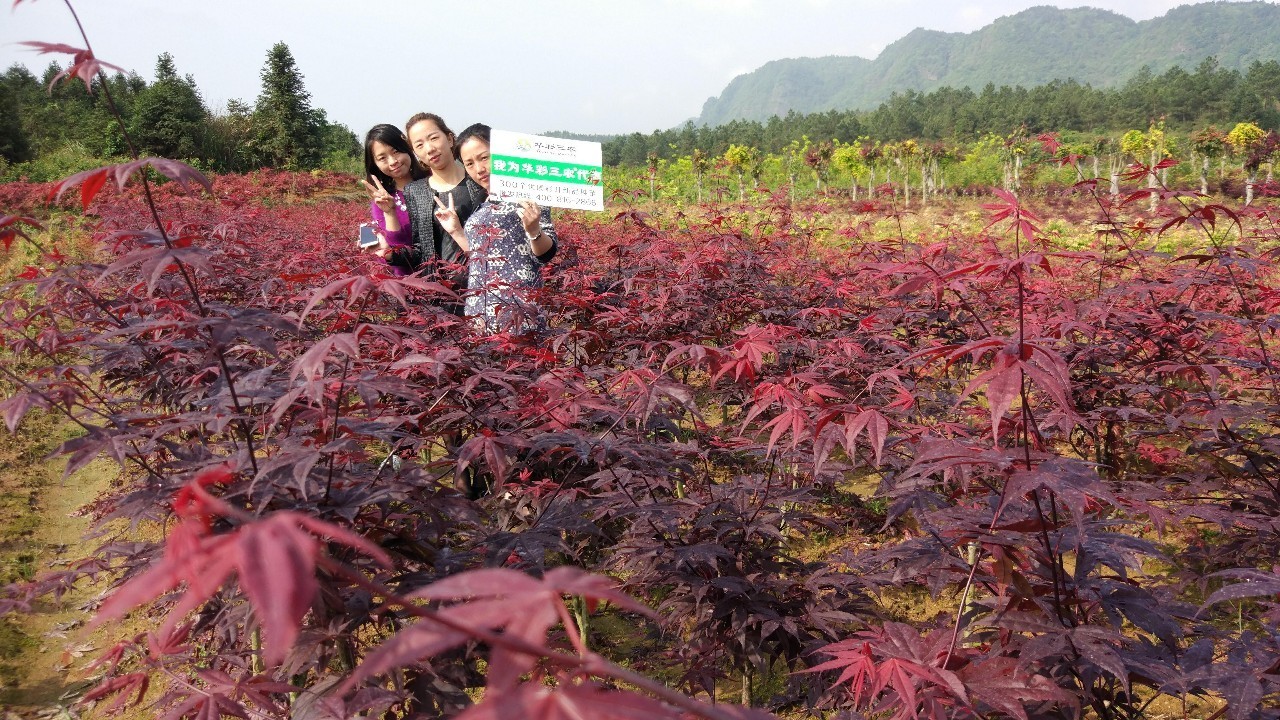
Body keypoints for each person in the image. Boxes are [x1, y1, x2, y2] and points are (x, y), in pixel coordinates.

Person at [434, 123, 558, 334]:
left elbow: (547, 253)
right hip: (480, 313)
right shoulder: (484, 203)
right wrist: (456, 230)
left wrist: (534, 230)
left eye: (484, 157)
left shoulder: (526, 194)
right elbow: (481, 257)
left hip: (518, 312)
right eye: (469, 163)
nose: (479, 169)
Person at [384, 114, 487, 294]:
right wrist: (391, 254)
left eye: (433, 138)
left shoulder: (480, 180)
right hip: (439, 295)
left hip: (483, 287)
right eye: (419, 145)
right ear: (415, 153)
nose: (429, 148)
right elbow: (420, 250)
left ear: (449, 138)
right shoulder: (415, 191)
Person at [359, 124, 426, 275]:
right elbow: (394, 254)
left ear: (407, 148)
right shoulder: (380, 204)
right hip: (409, 286)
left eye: (395, 151)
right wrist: (390, 213)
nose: (392, 161)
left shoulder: (433, 182)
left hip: (448, 280)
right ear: (375, 165)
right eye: (382, 158)